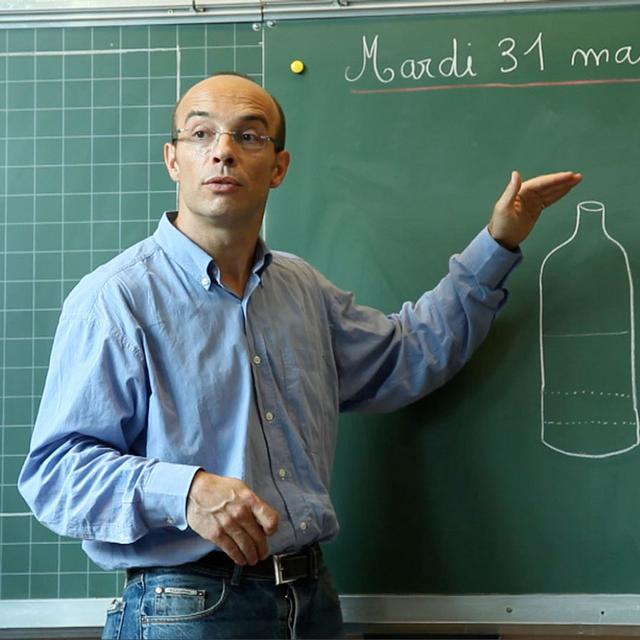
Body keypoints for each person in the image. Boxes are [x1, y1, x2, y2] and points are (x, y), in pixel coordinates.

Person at [18, 71, 581, 639]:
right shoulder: (116, 299)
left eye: (249, 136)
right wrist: (184, 491)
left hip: (312, 603)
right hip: (187, 608)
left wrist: (499, 242)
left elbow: (408, 355)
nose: (224, 151)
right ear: (173, 160)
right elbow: (54, 473)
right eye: (200, 135)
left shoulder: (302, 289)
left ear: (279, 167)